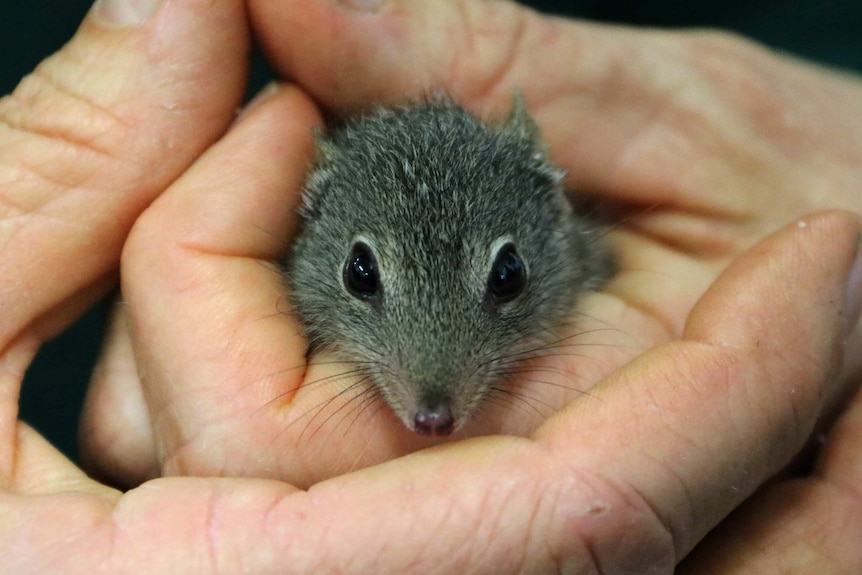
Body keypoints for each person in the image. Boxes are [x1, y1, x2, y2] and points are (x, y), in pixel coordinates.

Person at [1, 0, 861, 572]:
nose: (435, 406)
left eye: (506, 280)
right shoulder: (305, 207)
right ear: (312, 222)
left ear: (548, 225)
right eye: (365, 277)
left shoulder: (581, 245)